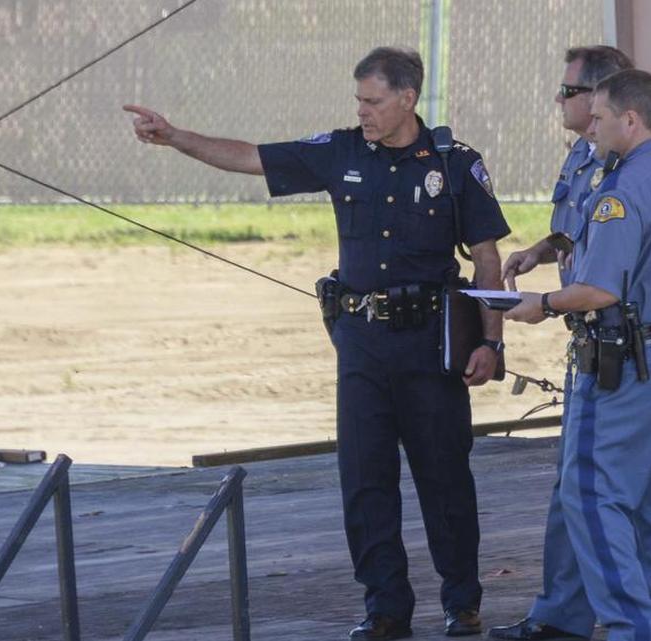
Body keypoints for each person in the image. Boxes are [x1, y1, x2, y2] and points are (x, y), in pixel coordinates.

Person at [125, 47, 510, 640]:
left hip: (430, 346)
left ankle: (462, 602)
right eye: (358, 100)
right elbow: (250, 157)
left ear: (407, 99)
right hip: (360, 344)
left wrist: (492, 344)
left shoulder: (455, 165)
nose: (363, 112)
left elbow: (486, 259)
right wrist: (175, 137)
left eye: (373, 101)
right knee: (364, 480)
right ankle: (385, 609)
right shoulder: (340, 151)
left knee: (444, 479)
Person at [493, 48, 651, 641]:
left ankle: (636, 628)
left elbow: (600, 289)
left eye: (600, 117)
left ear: (630, 120)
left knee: (592, 497)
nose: (592, 128)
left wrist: (542, 305)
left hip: (621, 365)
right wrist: (551, 248)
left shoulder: (620, 190)